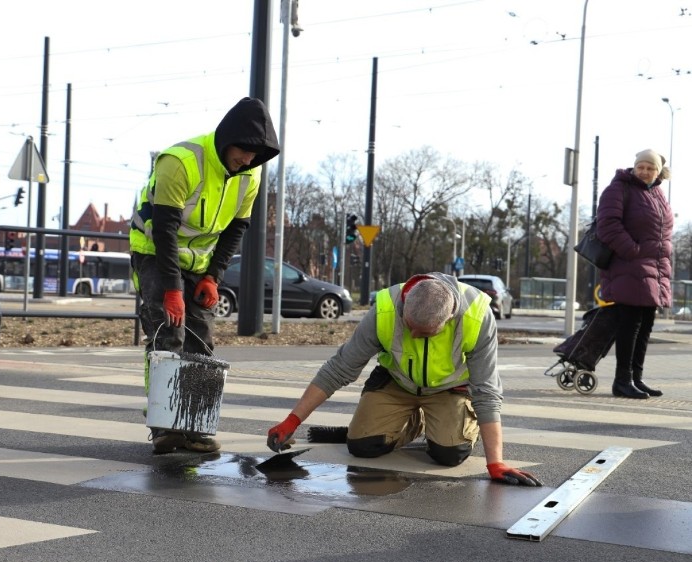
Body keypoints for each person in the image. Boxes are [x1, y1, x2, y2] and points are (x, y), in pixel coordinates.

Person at [267, 273, 542, 487]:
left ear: (447, 320)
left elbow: (486, 390)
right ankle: (413, 422)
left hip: (450, 389)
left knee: (450, 454)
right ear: (405, 304)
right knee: (362, 447)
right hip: (395, 381)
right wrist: (293, 420)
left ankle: (446, 421)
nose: (412, 336)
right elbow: (339, 368)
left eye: (423, 333)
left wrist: (495, 463)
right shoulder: (385, 309)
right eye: (408, 326)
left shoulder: (477, 315)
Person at [129, 97, 280, 454]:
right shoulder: (180, 162)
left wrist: (214, 276)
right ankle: (165, 428)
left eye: (255, 156)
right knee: (169, 335)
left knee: (201, 341)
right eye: (243, 151)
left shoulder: (250, 174)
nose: (248, 160)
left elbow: (235, 230)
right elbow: (164, 231)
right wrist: (171, 290)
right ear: (228, 139)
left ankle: (195, 425)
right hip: (155, 254)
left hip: (200, 262)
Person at [596, 149, 673, 399]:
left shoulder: (657, 193)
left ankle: (636, 379)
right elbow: (607, 224)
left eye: (650, 168)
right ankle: (622, 381)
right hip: (628, 266)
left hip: (654, 269)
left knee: (645, 325)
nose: (645, 171)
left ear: (658, 172)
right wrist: (632, 250)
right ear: (634, 166)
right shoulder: (619, 189)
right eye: (641, 166)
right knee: (630, 325)